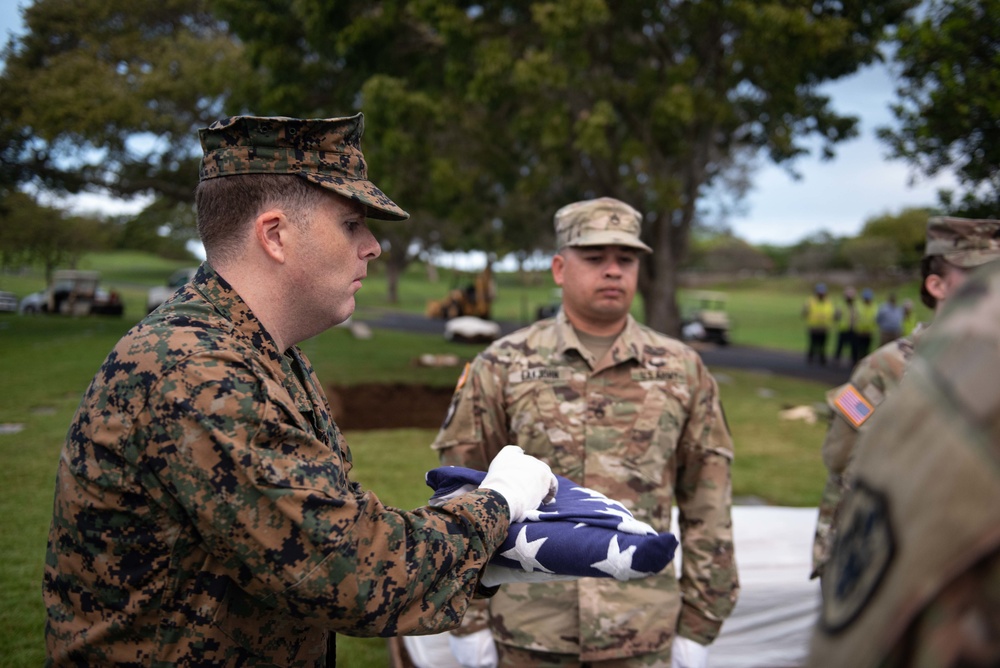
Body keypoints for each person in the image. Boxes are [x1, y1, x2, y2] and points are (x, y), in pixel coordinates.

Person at [41, 113, 558, 666]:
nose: (374, 246)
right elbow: (348, 571)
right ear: (275, 235)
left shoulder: (261, 353)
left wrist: (484, 554)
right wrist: (500, 504)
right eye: (352, 224)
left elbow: (321, 528)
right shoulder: (196, 371)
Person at [432, 197, 739, 667]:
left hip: (641, 627)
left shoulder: (682, 369)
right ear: (559, 268)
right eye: (595, 258)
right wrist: (468, 618)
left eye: (626, 259)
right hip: (529, 630)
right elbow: (461, 488)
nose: (613, 271)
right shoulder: (504, 363)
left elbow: (708, 501)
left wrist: (700, 623)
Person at [806, 256, 1000, 668]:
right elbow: (839, 454)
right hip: (879, 558)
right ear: (937, 286)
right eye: (981, 273)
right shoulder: (885, 366)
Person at [803, 282, 834, 365]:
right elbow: (805, 312)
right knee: (813, 344)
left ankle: (822, 359)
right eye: (819, 292)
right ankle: (810, 358)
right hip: (813, 327)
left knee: (823, 345)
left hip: (824, 327)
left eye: (822, 292)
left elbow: (831, 313)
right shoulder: (811, 301)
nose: (821, 294)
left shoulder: (828, 302)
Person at [831, 286, 857, 366]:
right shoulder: (841, 305)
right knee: (840, 346)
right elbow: (835, 316)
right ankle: (836, 360)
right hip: (843, 329)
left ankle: (853, 360)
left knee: (854, 346)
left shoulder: (856, 306)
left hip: (853, 329)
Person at [852, 288, 877, 363]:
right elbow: (854, 317)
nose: (867, 300)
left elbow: (875, 319)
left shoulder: (874, 306)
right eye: (866, 298)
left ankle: (864, 364)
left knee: (866, 350)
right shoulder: (858, 306)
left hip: (868, 332)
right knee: (858, 349)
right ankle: (856, 363)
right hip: (859, 332)